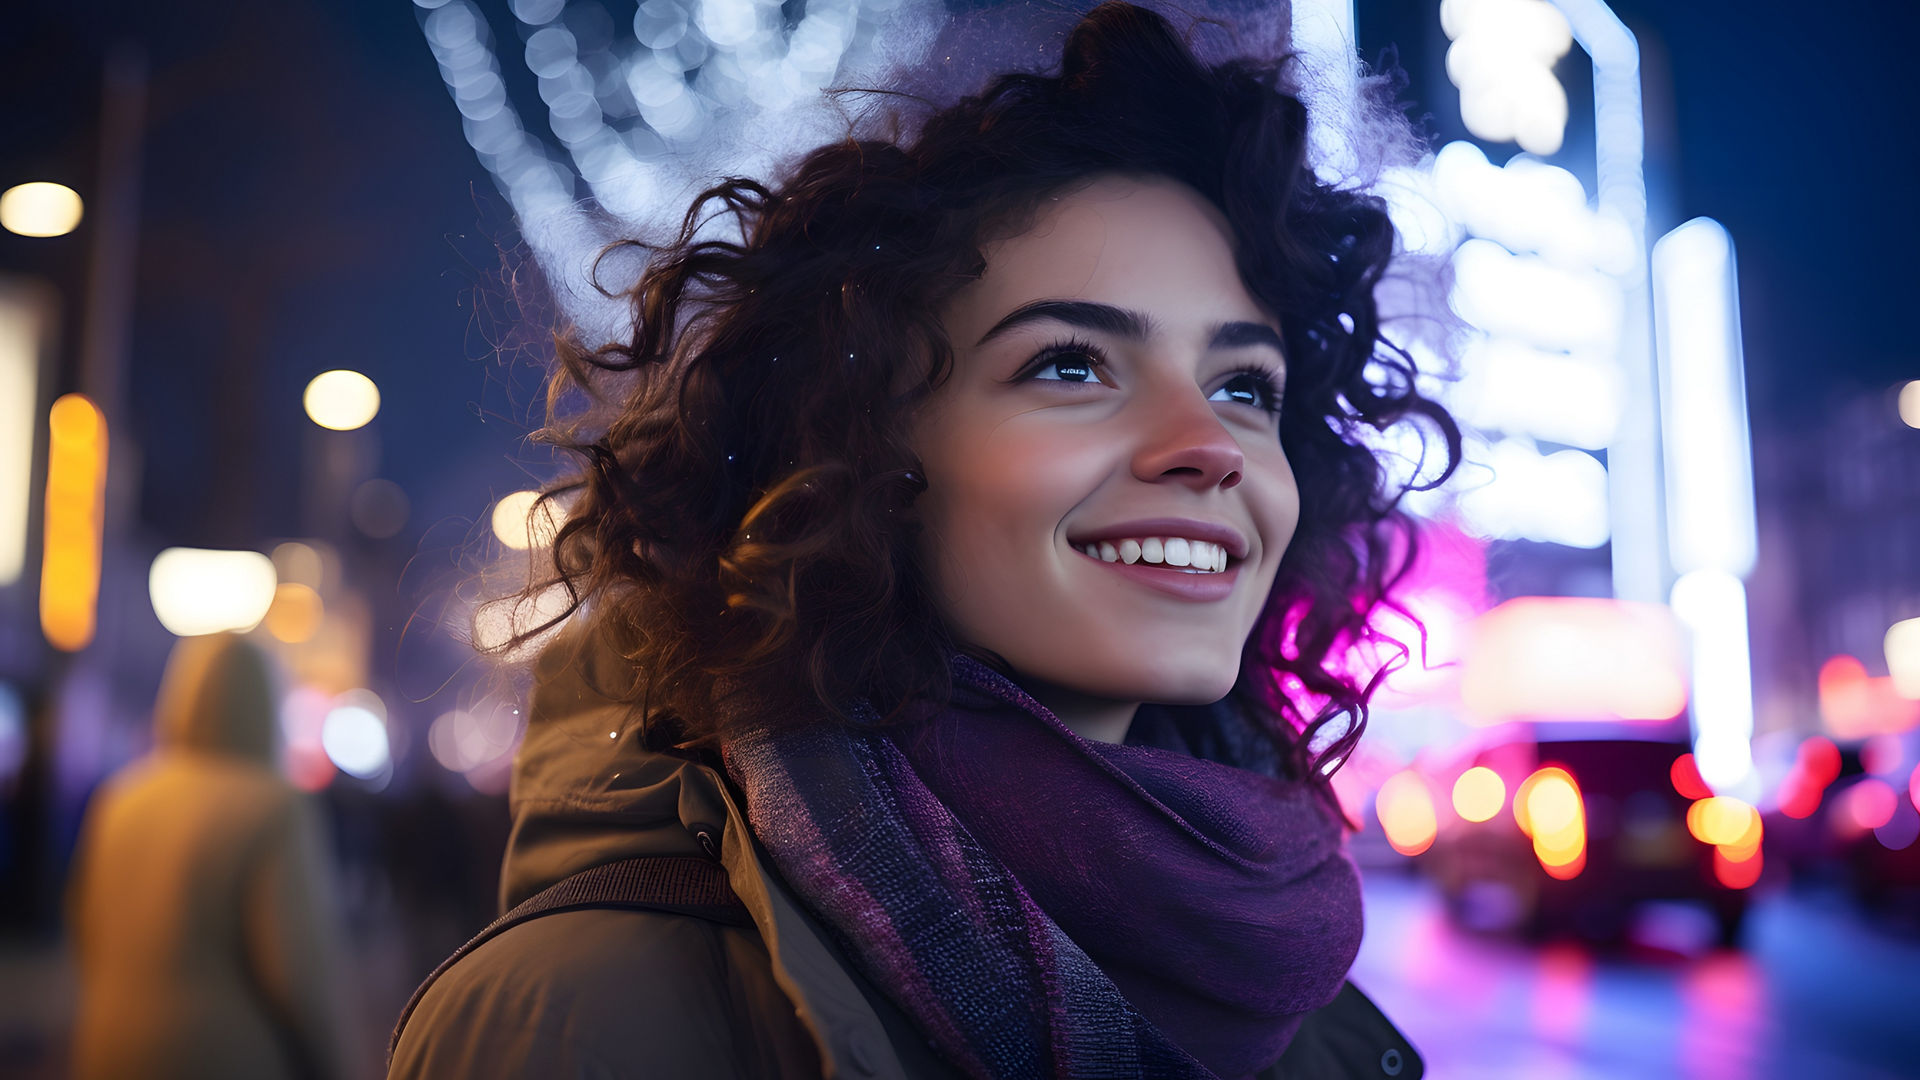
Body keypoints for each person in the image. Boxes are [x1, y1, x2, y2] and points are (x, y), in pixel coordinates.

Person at [392, 2, 1459, 1076]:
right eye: (1072, 364)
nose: (1210, 448)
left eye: (1243, 385)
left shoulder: (1303, 1004)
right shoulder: (582, 1013)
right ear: (861, 458)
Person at [67, 633, 356, 1080]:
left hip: (109, 1048)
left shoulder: (119, 800)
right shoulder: (273, 807)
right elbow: (300, 975)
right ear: (266, 703)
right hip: (225, 1057)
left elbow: (87, 930)